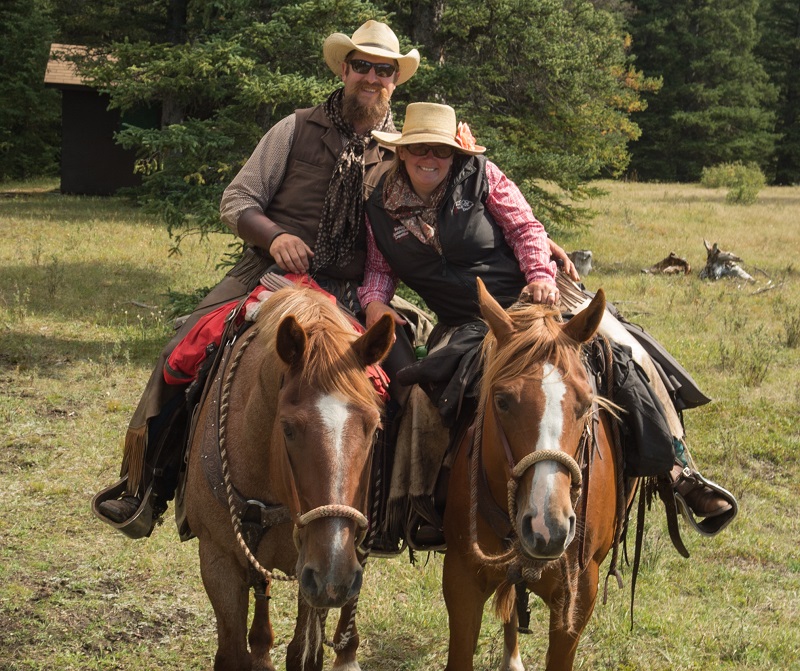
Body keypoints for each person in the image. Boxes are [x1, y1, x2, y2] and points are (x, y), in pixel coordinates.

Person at [93, 19, 422, 536]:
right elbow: (237, 200)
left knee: (407, 386)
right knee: (185, 350)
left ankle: (391, 513)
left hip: (355, 294)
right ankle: (147, 488)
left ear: (395, 82)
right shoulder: (294, 129)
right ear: (344, 69)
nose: (373, 78)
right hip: (272, 275)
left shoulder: (403, 152)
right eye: (363, 66)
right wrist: (274, 237)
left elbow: (442, 203)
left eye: (384, 71)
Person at [357, 102, 737, 541]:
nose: (430, 158)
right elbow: (379, 270)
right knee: (426, 389)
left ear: (454, 154)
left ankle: (680, 471)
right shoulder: (380, 208)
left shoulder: (481, 176)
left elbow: (525, 229)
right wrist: (374, 302)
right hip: (469, 320)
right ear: (402, 153)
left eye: (440, 151)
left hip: (538, 298)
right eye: (419, 148)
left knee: (626, 353)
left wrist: (539, 276)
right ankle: (422, 505)